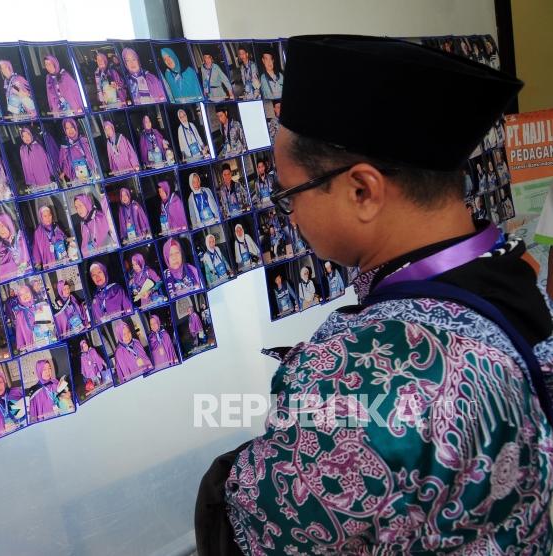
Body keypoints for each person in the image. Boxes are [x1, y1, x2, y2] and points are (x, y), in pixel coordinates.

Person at [196, 34, 553, 555]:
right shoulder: (521, 274)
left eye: (288, 194)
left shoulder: (350, 370)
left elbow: (268, 531)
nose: (288, 215)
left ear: (362, 191)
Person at [10, 283, 55, 352]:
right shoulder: (20, 314)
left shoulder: (41, 305)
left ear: (31, 293)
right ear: (19, 297)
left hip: (47, 340)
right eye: (21, 294)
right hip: (32, 346)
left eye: (27, 292)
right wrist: (22, 345)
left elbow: (51, 323)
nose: (25, 295)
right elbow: (19, 332)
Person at [73, 192, 116, 257]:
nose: (78, 210)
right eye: (76, 207)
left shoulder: (99, 217)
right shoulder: (83, 224)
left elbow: (107, 242)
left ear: (86, 203)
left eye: (80, 205)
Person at [57, 117, 98, 184]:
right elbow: (65, 163)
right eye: (67, 128)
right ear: (65, 131)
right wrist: (64, 173)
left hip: (90, 175)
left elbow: (93, 157)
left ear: (75, 127)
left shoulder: (84, 140)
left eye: (72, 127)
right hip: (75, 179)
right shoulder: (64, 147)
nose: (70, 130)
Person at [30, 205, 72, 270]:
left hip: (62, 259)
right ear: (41, 217)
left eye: (49, 215)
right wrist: (37, 264)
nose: (48, 218)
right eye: (45, 216)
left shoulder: (56, 226)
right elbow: (36, 249)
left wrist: (72, 240)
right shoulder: (38, 232)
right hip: (49, 263)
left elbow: (65, 239)